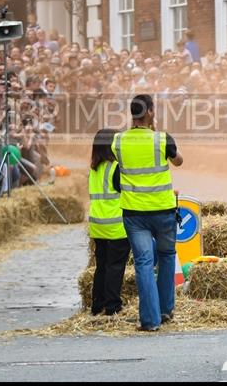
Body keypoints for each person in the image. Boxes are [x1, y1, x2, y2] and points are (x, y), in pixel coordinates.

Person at [112, 94, 184, 332]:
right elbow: (179, 162)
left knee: (143, 262)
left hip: (134, 213)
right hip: (163, 210)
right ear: (151, 112)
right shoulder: (162, 139)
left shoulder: (118, 141)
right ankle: (166, 310)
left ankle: (150, 321)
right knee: (166, 256)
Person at [88, 128, 130, 316]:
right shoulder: (116, 168)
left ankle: (97, 305)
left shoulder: (94, 170)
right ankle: (113, 306)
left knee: (101, 266)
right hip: (116, 225)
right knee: (115, 266)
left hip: (97, 225)